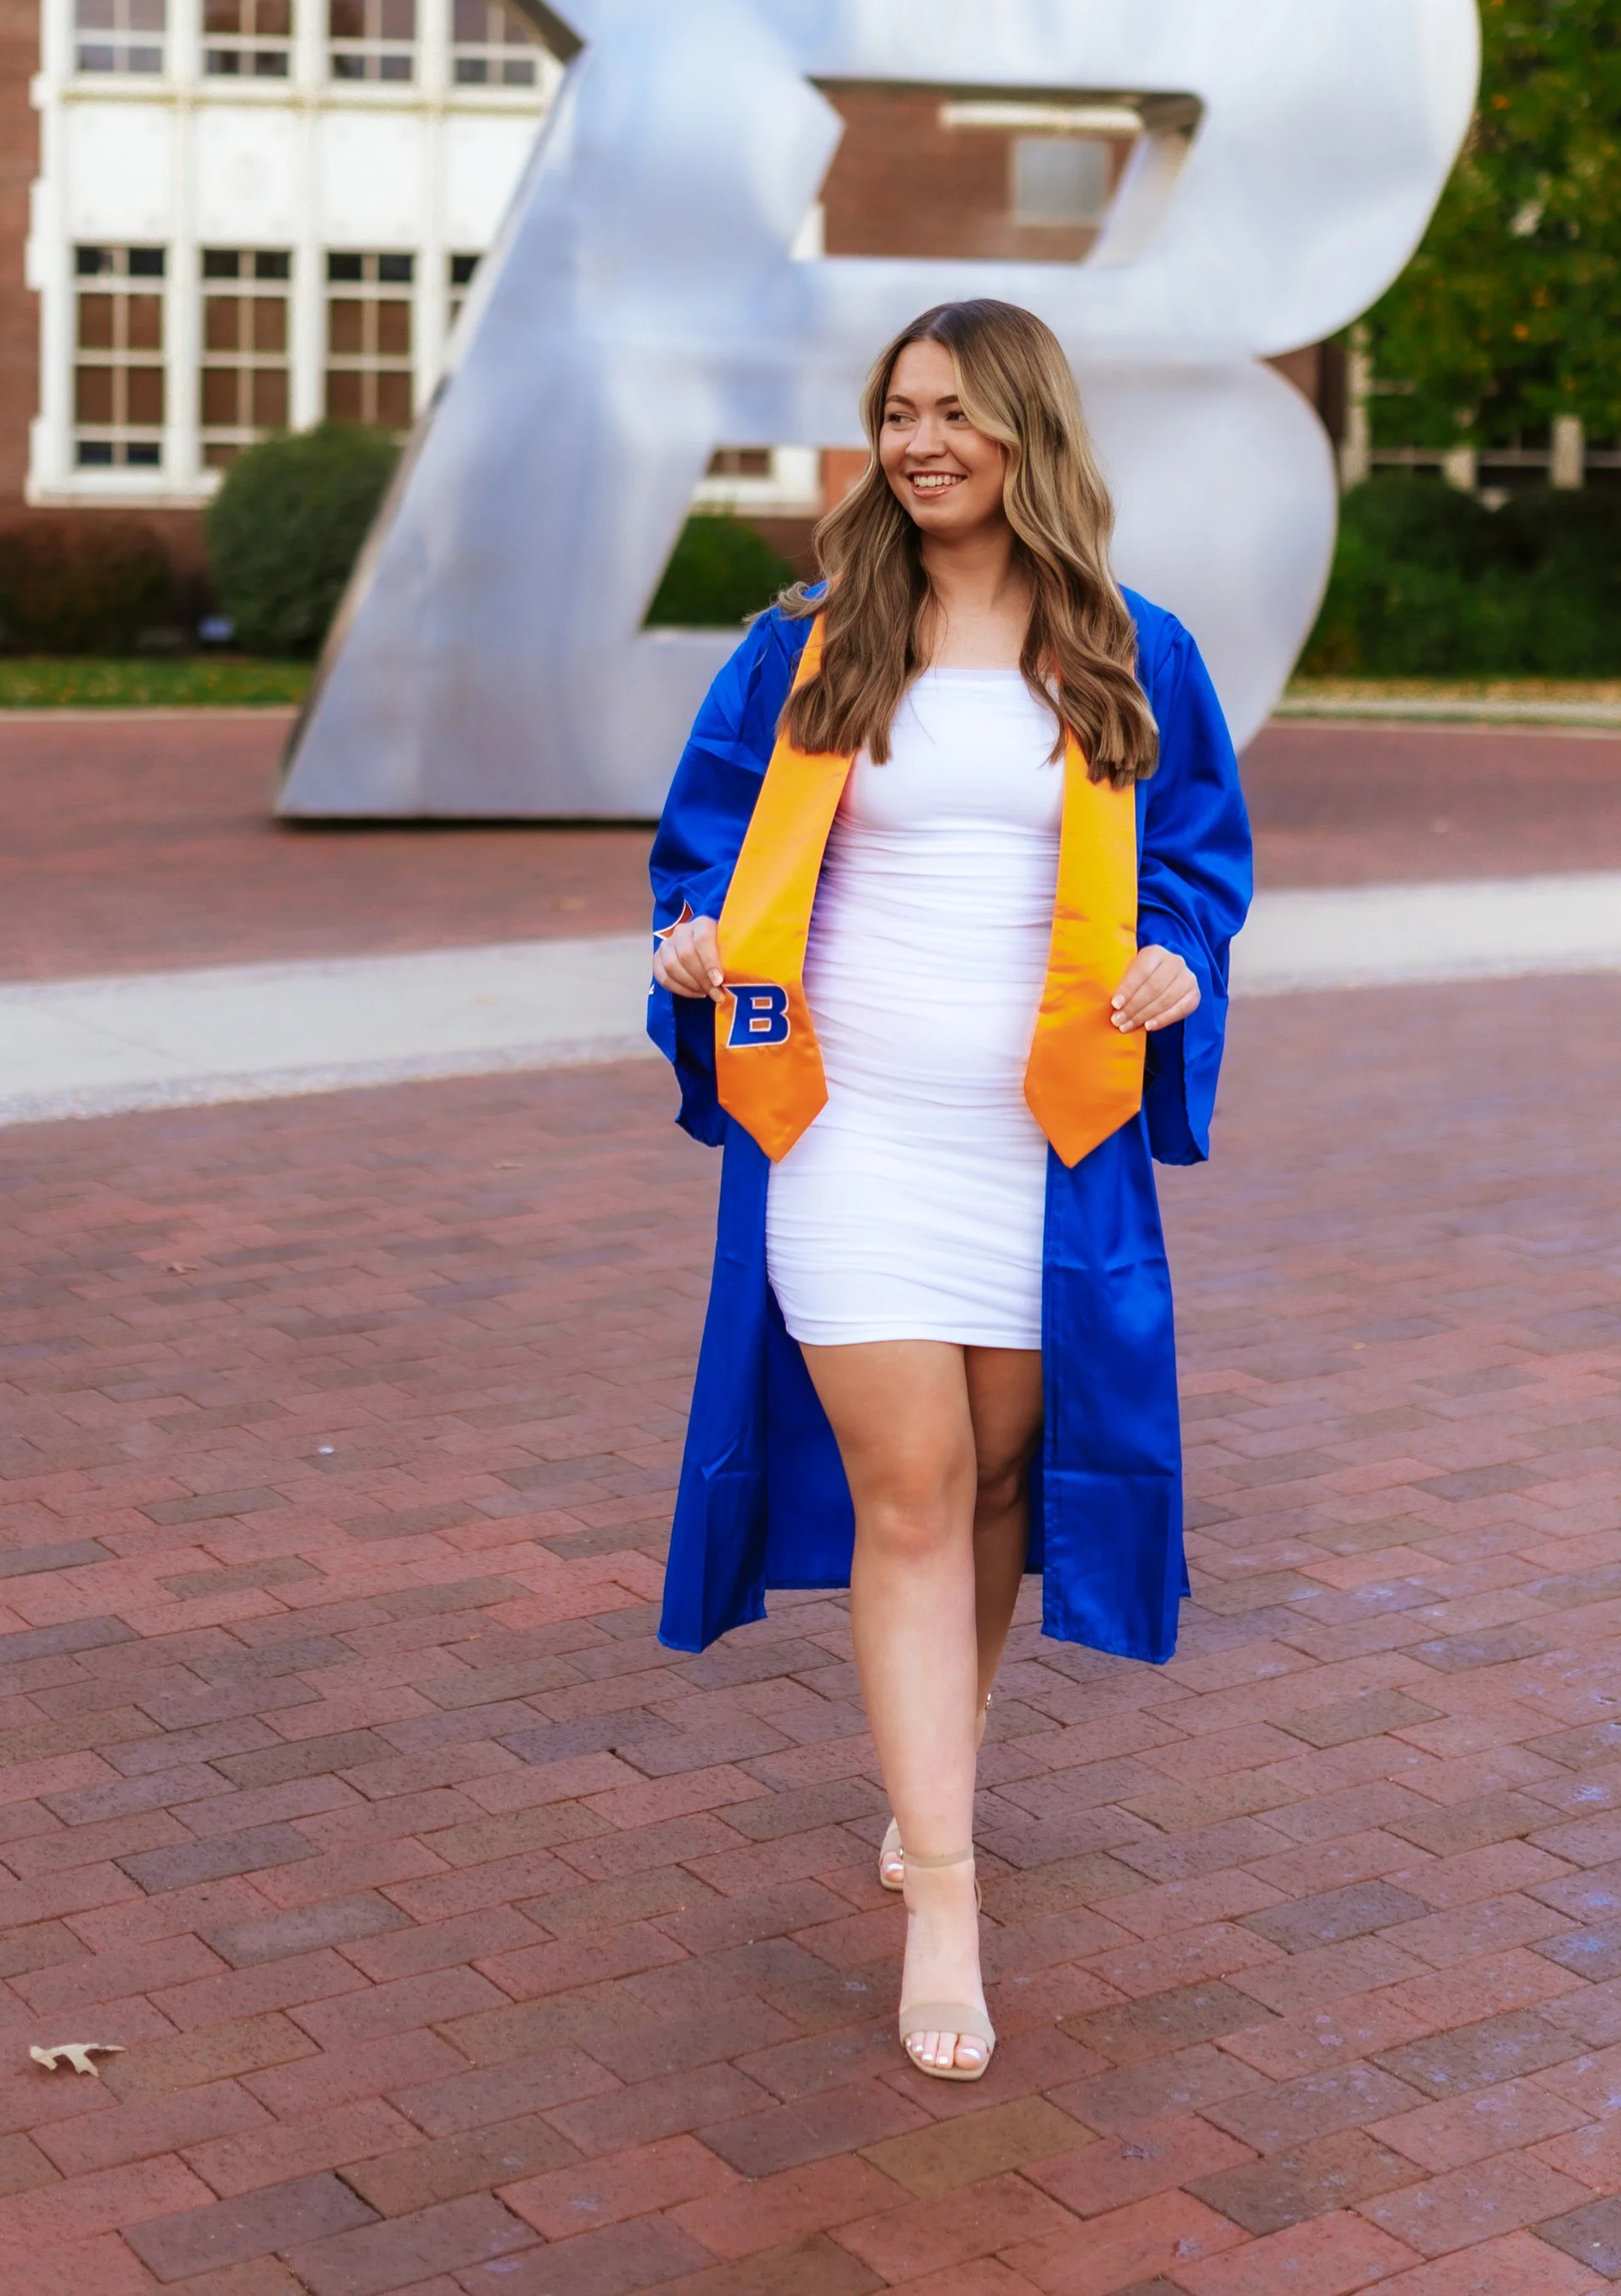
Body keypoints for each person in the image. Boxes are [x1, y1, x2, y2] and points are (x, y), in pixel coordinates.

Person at [648, 297, 1251, 2084]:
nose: (916, 443)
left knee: (996, 1476)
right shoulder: (809, 644)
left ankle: (939, 1764)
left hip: (1040, 1142)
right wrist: (688, 941)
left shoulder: (1131, 654)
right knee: (907, 1491)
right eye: (895, 412)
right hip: (847, 1128)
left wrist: (1175, 968)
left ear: (1024, 436)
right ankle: (945, 1890)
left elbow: (1197, 874)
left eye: (951, 416)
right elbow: (701, 839)